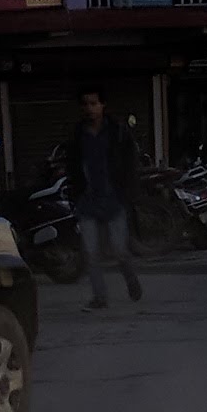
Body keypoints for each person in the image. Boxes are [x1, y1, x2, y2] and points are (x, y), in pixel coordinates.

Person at [69, 88, 140, 306]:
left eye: (94, 103)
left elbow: (130, 162)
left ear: (102, 105)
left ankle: (131, 278)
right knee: (91, 253)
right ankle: (100, 297)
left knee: (119, 250)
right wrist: (76, 194)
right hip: (88, 201)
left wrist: (127, 192)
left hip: (113, 200)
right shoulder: (78, 133)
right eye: (86, 104)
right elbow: (73, 165)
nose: (90, 108)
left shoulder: (117, 130)